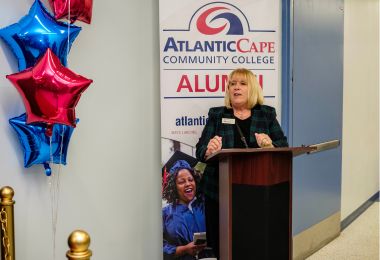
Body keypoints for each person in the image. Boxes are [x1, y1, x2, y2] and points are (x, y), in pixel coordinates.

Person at [195, 68, 289, 257]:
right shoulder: (217, 115)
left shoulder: (266, 114)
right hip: (220, 193)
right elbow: (200, 150)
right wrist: (209, 150)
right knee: (223, 245)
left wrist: (270, 145)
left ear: (252, 88)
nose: (236, 87)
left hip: (257, 193)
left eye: (242, 83)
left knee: (254, 241)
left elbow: (283, 146)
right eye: (232, 83)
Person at [162, 160, 209, 260]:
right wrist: (184, 249)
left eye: (190, 180)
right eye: (181, 182)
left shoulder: (205, 206)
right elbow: (157, 247)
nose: (188, 184)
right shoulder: (166, 213)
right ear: (174, 187)